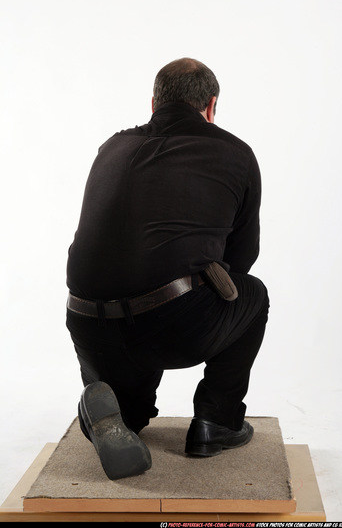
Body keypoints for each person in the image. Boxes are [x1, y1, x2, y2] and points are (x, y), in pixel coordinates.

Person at [66, 57, 269, 480]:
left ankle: (107, 409)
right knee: (253, 294)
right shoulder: (235, 153)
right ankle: (218, 421)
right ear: (211, 106)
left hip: (86, 319)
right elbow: (241, 260)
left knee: (131, 416)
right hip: (172, 322)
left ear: (154, 103)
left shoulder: (113, 146)